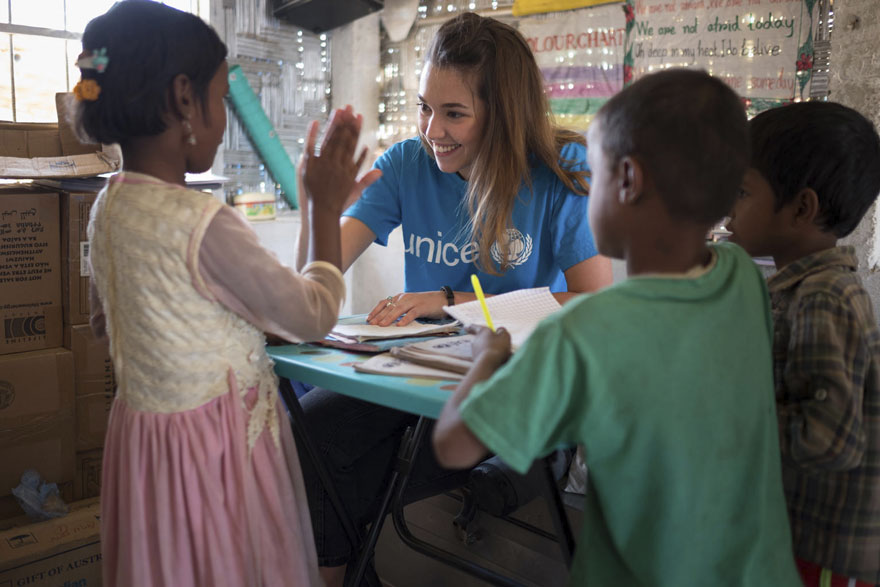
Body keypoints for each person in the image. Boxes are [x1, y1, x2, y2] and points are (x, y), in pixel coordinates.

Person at [432, 68, 802, 586]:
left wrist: (487, 360)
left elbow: (455, 445)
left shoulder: (587, 330)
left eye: (594, 175)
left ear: (626, 181)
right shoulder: (742, 278)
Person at [293, 11, 612, 586]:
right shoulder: (406, 164)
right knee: (309, 436)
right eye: (423, 106)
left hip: (504, 388)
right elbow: (313, 280)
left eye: (454, 113)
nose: (431, 129)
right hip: (414, 380)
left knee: (329, 470)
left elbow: (596, 304)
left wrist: (450, 298)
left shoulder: (562, 170)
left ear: (504, 114)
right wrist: (317, 205)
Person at [77, 2, 369, 585]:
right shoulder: (201, 221)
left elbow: (105, 321)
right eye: (219, 100)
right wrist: (325, 207)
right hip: (214, 455)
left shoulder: (107, 208)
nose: (222, 119)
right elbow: (312, 315)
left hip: (149, 452)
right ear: (185, 99)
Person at [726, 102, 880, 586]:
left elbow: (830, 440)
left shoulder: (825, 296)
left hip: (819, 549)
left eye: (742, 192)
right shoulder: (800, 287)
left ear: (802, 208)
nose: (729, 209)